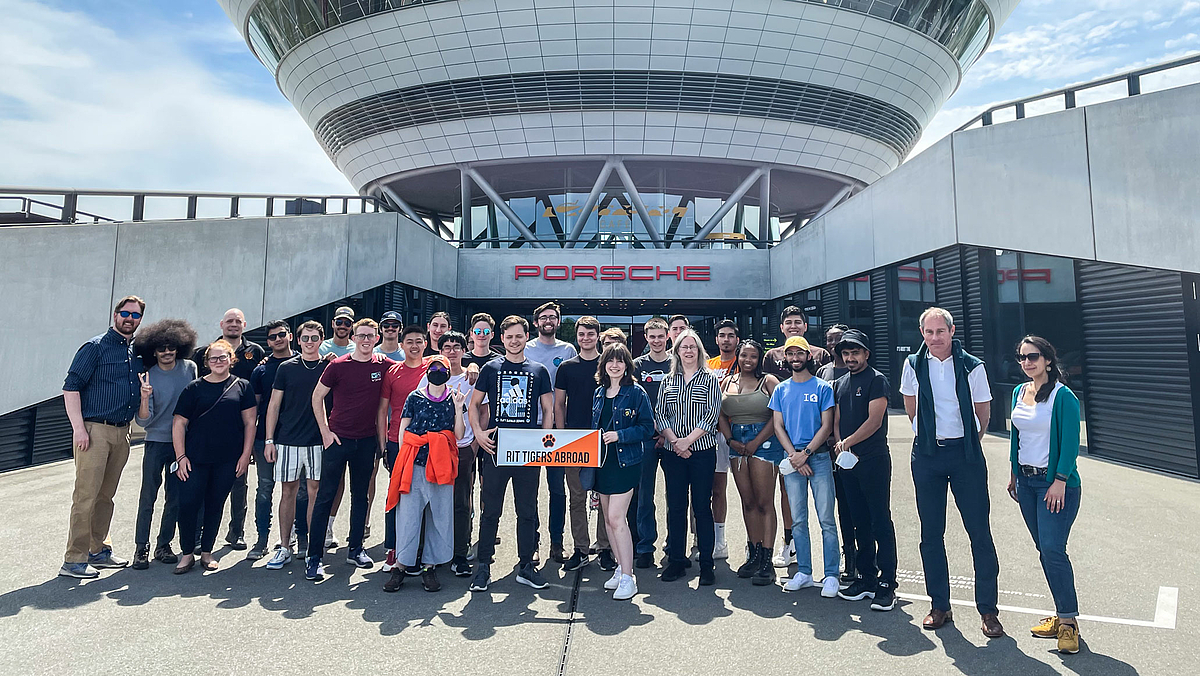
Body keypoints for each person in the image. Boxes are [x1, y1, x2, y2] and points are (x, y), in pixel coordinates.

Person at [900, 307, 1001, 637]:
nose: (933, 338)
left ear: (952, 331)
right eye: (928, 333)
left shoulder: (973, 366)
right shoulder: (913, 364)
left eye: (939, 332)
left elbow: (982, 414)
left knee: (979, 533)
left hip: (965, 456)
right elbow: (910, 407)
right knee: (931, 534)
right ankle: (939, 605)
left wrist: (966, 444)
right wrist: (927, 436)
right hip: (927, 456)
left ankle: (988, 610)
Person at [59, 295, 146, 578]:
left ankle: (98, 551)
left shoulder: (134, 353)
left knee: (106, 497)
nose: (129, 319)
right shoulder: (95, 348)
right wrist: (79, 429)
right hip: (94, 431)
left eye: (135, 315)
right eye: (125, 313)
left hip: (122, 433)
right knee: (86, 496)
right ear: (115, 314)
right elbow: (71, 388)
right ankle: (74, 559)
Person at [1006, 336, 1082, 654]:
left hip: (1056, 485)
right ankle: (1060, 610)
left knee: (1053, 550)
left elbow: (1070, 444)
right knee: (1044, 550)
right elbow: (1016, 438)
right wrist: (1013, 474)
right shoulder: (1018, 392)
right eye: (1022, 358)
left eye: (1033, 357)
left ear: (1048, 360)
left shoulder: (1063, 397)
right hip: (1026, 484)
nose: (1027, 363)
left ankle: (1068, 623)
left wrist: (1060, 480)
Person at [469, 315, 555, 592]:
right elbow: (474, 405)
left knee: (527, 511)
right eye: (509, 337)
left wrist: (544, 439)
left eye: (519, 336)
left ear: (525, 337)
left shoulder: (539, 370)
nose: (514, 341)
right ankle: (483, 567)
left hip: (528, 450)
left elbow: (549, 409)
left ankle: (526, 566)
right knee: (490, 511)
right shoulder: (491, 369)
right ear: (502, 339)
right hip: (497, 448)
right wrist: (479, 433)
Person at [306, 319, 392, 581]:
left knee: (360, 497)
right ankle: (314, 557)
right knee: (325, 497)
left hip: (366, 441)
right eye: (361, 335)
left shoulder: (383, 365)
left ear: (377, 338)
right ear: (353, 338)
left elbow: (414, 369)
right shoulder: (337, 366)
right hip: (338, 440)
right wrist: (325, 432)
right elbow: (317, 396)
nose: (366, 340)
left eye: (370, 335)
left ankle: (355, 548)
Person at [171, 339, 257, 573]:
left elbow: (250, 423)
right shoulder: (194, 388)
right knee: (188, 505)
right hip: (195, 458)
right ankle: (187, 553)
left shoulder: (243, 386)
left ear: (232, 359)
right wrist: (181, 457)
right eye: (213, 358)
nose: (218, 362)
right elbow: (179, 423)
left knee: (215, 504)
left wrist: (245, 456)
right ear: (207, 362)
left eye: (223, 357)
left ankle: (207, 553)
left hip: (228, 459)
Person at [383, 355, 467, 592]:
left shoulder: (454, 398)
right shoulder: (414, 397)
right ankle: (401, 565)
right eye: (434, 367)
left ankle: (430, 566)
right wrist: (402, 460)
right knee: (408, 516)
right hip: (415, 463)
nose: (438, 371)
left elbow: (459, 435)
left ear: (449, 372)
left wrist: (459, 409)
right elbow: (403, 428)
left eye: (443, 368)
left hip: (442, 465)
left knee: (439, 517)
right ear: (427, 371)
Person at [832, 329, 898, 612]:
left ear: (866, 354)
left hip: (873, 460)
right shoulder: (840, 383)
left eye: (855, 353)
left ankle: (887, 583)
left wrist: (847, 442)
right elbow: (836, 418)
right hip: (847, 462)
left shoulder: (877, 380)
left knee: (880, 519)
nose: (850, 358)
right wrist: (838, 443)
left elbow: (874, 420)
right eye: (846, 353)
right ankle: (867, 577)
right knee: (858, 521)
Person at [769, 336, 839, 597]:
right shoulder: (781, 390)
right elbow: (778, 425)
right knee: (798, 520)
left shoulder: (822, 388)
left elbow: (827, 425)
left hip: (818, 458)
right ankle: (805, 572)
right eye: (791, 354)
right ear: (786, 358)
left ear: (808, 356)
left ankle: (831, 573)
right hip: (793, 460)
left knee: (826, 519)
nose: (795, 358)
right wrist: (794, 456)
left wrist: (806, 453)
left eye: (800, 353)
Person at [190, 307, 264, 551]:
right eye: (229, 321)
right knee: (202, 486)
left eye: (238, 321)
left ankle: (237, 532)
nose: (233, 325)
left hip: (240, 430)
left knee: (239, 484)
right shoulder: (204, 353)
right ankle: (200, 536)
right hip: (206, 434)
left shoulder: (256, 352)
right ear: (221, 324)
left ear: (245, 324)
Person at [655, 329, 721, 586]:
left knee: (702, 507)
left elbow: (712, 415)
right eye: (684, 347)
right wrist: (675, 442)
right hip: (673, 454)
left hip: (701, 452)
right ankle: (677, 561)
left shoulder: (710, 379)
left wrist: (687, 441)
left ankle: (706, 563)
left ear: (700, 351)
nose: (689, 351)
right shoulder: (668, 381)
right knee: (676, 507)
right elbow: (660, 414)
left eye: (693, 347)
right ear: (677, 351)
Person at [764, 306, 829, 568]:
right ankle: (789, 543)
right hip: (785, 441)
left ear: (805, 326)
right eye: (788, 322)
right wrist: (792, 453)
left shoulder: (820, 354)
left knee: (825, 504)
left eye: (798, 322)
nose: (793, 325)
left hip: (818, 443)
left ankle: (834, 556)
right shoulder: (771, 356)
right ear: (781, 328)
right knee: (788, 494)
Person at [130, 318, 197, 570]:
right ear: (153, 351)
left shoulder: (189, 368)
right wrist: (145, 398)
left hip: (181, 445)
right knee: (148, 496)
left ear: (180, 346)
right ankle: (141, 548)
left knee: (175, 497)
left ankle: (163, 545)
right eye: (161, 349)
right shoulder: (147, 376)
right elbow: (143, 422)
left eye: (171, 347)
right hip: (155, 443)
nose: (167, 352)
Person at [592, 343, 654, 601]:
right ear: (604, 365)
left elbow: (647, 428)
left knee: (618, 519)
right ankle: (620, 567)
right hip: (602, 464)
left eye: (620, 361)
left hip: (626, 462)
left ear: (627, 365)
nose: (615, 365)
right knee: (608, 521)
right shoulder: (598, 393)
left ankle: (629, 577)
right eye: (610, 361)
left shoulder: (636, 393)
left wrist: (620, 435)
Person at [263, 321, 327, 570]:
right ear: (298, 340)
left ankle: (313, 551)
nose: (310, 342)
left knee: (315, 493)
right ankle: (284, 547)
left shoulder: (329, 367)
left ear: (321, 339)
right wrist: (270, 439)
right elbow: (274, 406)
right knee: (287, 492)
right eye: (305, 338)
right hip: (287, 440)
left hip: (317, 441)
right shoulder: (286, 368)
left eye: (314, 338)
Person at [718, 338, 782, 586]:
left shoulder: (768, 382)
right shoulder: (727, 381)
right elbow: (721, 415)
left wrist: (756, 441)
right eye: (744, 355)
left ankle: (767, 559)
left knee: (765, 502)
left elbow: (778, 415)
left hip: (764, 443)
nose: (747, 360)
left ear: (760, 359)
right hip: (736, 443)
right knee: (748, 502)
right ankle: (753, 553)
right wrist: (730, 438)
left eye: (753, 356)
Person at [416, 332, 478, 576]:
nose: (452, 352)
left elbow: (480, 411)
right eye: (447, 347)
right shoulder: (428, 378)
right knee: (430, 501)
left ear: (464, 350)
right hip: (434, 449)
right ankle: (427, 553)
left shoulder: (471, 378)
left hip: (462, 448)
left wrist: (474, 444)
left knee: (461, 503)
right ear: (440, 351)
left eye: (456, 347)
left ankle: (459, 555)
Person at [554, 317, 611, 571]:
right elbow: (558, 404)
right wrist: (561, 433)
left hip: (603, 438)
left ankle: (605, 548)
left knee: (606, 496)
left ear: (597, 336)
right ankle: (580, 548)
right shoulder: (567, 367)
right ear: (576, 337)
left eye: (590, 334)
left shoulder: (609, 365)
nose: (586, 338)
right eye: (581, 334)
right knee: (577, 497)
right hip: (574, 439)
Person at [246, 320, 305, 560]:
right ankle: (262, 540)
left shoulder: (307, 362)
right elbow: (254, 408)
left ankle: (300, 536)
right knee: (265, 489)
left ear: (290, 336)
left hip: (299, 437)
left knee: (300, 492)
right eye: (272, 337)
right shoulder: (261, 370)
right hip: (266, 439)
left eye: (282, 335)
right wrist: (250, 443)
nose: (277, 339)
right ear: (267, 342)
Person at [375, 324, 432, 572]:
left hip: (428, 442)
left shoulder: (433, 368)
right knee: (397, 494)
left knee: (426, 495)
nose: (414, 346)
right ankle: (394, 548)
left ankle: (422, 550)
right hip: (398, 441)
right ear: (402, 344)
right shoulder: (392, 372)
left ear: (425, 344)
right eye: (409, 341)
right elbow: (382, 410)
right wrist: (383, 444)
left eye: (419, 341)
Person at [524, 301, 577, 562]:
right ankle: (532, 542)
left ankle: (557, 541)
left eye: (553, 317)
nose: (548, 321)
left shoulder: (567, 350)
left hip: (557, 428)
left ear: (558, 322)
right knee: (530, 489)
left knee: (558, 489)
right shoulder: (525, 348)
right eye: (543, 317)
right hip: (529, 427)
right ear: (535, 323)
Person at [816, 324, 855, 585]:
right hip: (826, 451)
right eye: (829, 340)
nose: (833, 344)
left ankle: (862, 560)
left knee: (856, 507)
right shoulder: (822, 371)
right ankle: (847, 556)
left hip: (850, 448)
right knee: (837, 507)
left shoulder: (856, 371)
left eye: (838, 339)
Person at [631, 317, 671, 569]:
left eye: (660, 336)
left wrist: (667, 431)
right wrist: (652, 429)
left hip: (674, 438)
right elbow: (632, 401)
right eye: (652, 336)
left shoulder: (676, 363)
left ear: (667, 336)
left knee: (675, 496)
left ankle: (674, 546)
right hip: (645, 439)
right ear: (646, 338)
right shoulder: (636, 366)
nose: (656, 340)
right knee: (644, 495)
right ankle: (645, 546)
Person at [705, 319, 740, 560]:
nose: (726, 339)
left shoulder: (745, 363)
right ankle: (712, 540)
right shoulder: (707, 365)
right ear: (716, 340)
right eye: (722, 335)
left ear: (737, 340)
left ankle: (747, 542)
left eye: (730, 336)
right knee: (711, 489)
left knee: (744, 492)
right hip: (710, 433)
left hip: (737, 434)